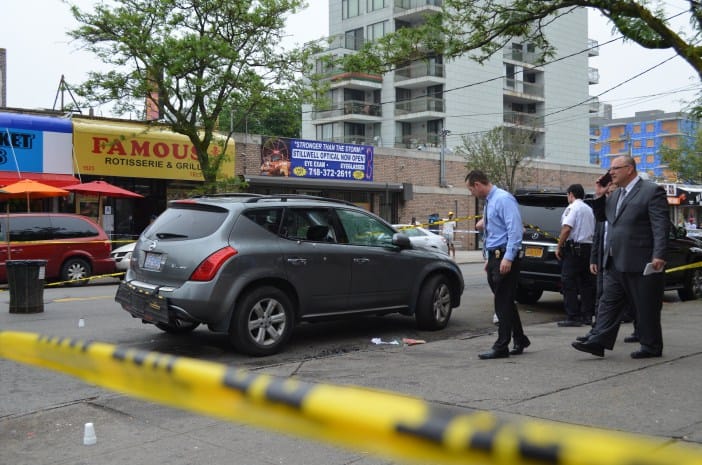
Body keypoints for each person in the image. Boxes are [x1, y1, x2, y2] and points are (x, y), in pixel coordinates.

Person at [572, 155, 668, 359]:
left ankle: (651, 346)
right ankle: (598, 341)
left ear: (630, 169)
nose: (611, 172)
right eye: (610, 168)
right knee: (608, 302)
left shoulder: (651, 191)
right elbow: (602, 218)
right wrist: (599, 195)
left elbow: (660, 226)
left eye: (616, 168)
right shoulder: (615, 195)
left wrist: (659, 254)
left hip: (641, 260)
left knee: (645, 306)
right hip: (614, 260)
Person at [466, 170, 530, 359]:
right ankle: (520, 338)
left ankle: (501, 346)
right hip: (495, 257)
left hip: (505, 256)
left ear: (478, 185)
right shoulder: (489, 202)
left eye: (471, 189)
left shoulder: (503, 199)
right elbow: (492, 233)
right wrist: (489, 257)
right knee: (505, 300)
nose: (472, 194)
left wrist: (508, 257)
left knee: (501, 302)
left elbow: (515, 230)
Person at [555, 184, 596, 327]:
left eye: (567, 195)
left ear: (571, 194)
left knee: (568, 282)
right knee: (586, 284)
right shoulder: (589, 209)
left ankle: (573, 316)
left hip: (574, 250)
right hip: (588, 248)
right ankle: (587, 315)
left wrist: (559, 246)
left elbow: (567, 228)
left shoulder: (573, 207)